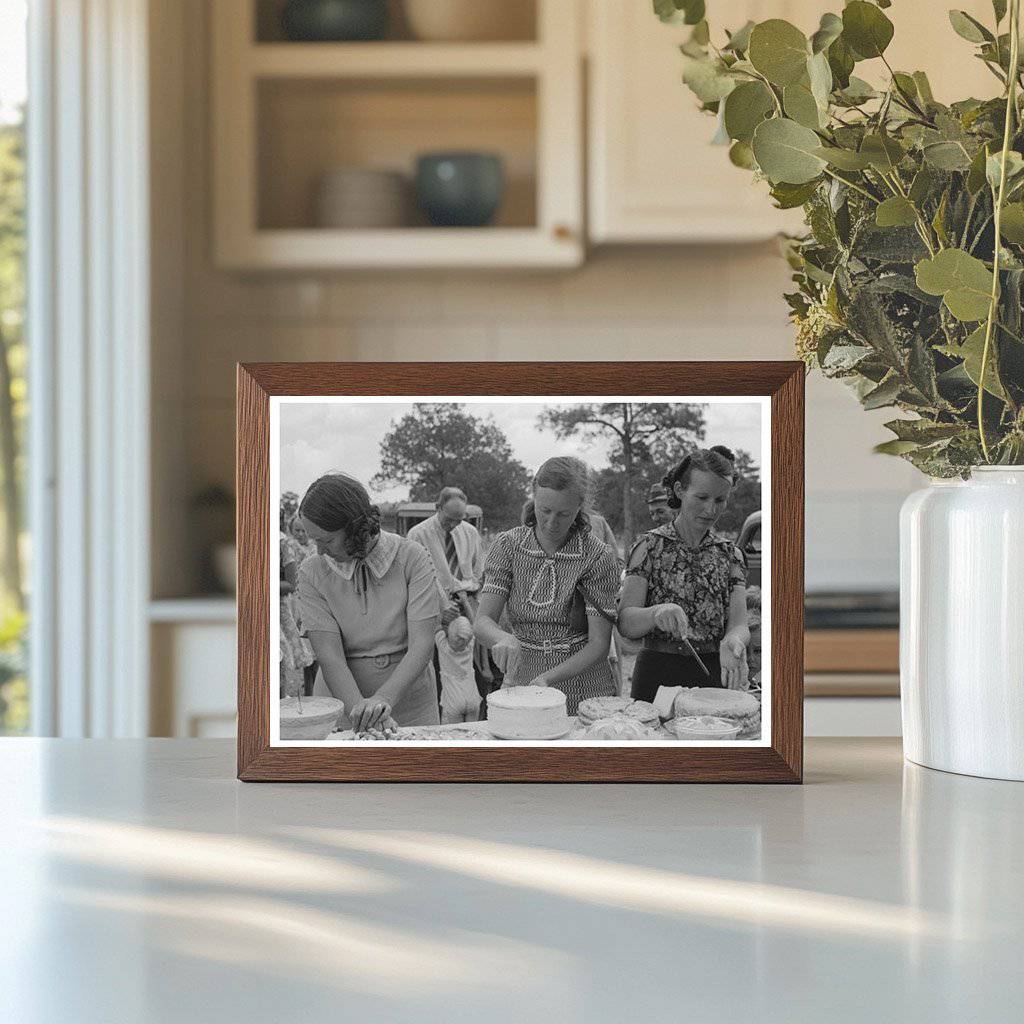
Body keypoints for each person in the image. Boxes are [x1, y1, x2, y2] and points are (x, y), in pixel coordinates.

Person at [474, 456, 619, 716]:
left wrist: (547, 680)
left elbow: (598, 645)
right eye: (545, 511)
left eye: (564, 514)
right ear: (533, 496)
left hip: (583, 683)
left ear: (580, 506)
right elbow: (482, 621)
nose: (552, 523)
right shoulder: (508, 546)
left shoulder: (597, 556)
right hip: (522, 676)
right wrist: (502, 638)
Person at [297, 473, 441, 733]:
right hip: (342, 705)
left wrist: (383, 700)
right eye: (314, 540)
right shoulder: (311, 572)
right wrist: (361, 712)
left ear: (354, 528)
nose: (319, 550)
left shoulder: (413, 557)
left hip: (411, 705)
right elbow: (330, 657)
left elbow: (422, 644)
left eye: (326, 540)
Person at [618, 446, 750, 700]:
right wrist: (656, 613)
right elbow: (626, 623)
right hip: (657, 676)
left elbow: (739, 624)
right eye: (702, 498)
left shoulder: (730, 555)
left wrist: (734, 640)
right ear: (680, 490)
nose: (711, 510)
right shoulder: (649, 546)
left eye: (720, 500)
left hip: (713, 674)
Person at [407, 486, 485, 723]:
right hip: (434, 608)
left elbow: (478, 572)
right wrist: (442, 606)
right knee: (439, 667)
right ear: (437, 508)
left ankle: (475, 718)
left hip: (465, 603)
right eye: (449, 519)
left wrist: (469, 596)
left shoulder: (470, 533)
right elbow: (416, 579)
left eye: (459, 520)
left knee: (472, 667)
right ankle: (440, 720)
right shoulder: (417, 535)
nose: (454, 525)